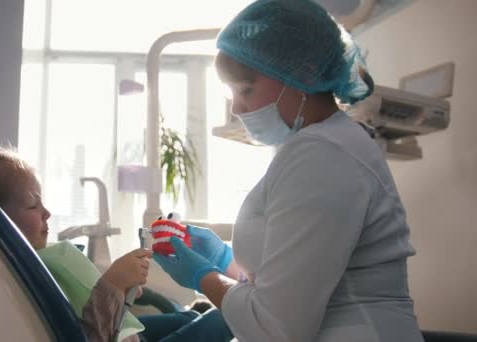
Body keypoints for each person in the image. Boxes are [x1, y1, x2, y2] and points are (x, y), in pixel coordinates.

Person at [153, 0, 424, 341]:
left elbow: (276, 327)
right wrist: (222, 260)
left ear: (304, 73)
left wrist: (201, 276)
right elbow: (291, 286)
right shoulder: (317, 146)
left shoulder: (323, 155)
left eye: (245, 89)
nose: (236, 107)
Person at [0, 144, 233, 342]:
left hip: (125, 333)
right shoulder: (21, 283)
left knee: (183, 320)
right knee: (229, 317)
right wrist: (114, 285)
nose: (47, 213)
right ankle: (235, 304)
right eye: (32, 205)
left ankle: (199, 313)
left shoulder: (19, 268)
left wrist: (122, 293)